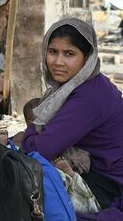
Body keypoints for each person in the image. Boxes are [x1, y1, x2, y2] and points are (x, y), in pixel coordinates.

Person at [20, 18, 123, 219]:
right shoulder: (76, 87)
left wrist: (32, 127)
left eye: (69, 54)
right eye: (52, 52)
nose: (58, 62)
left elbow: (38, 149)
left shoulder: (91, 96)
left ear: (87, 58)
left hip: (103, 188)